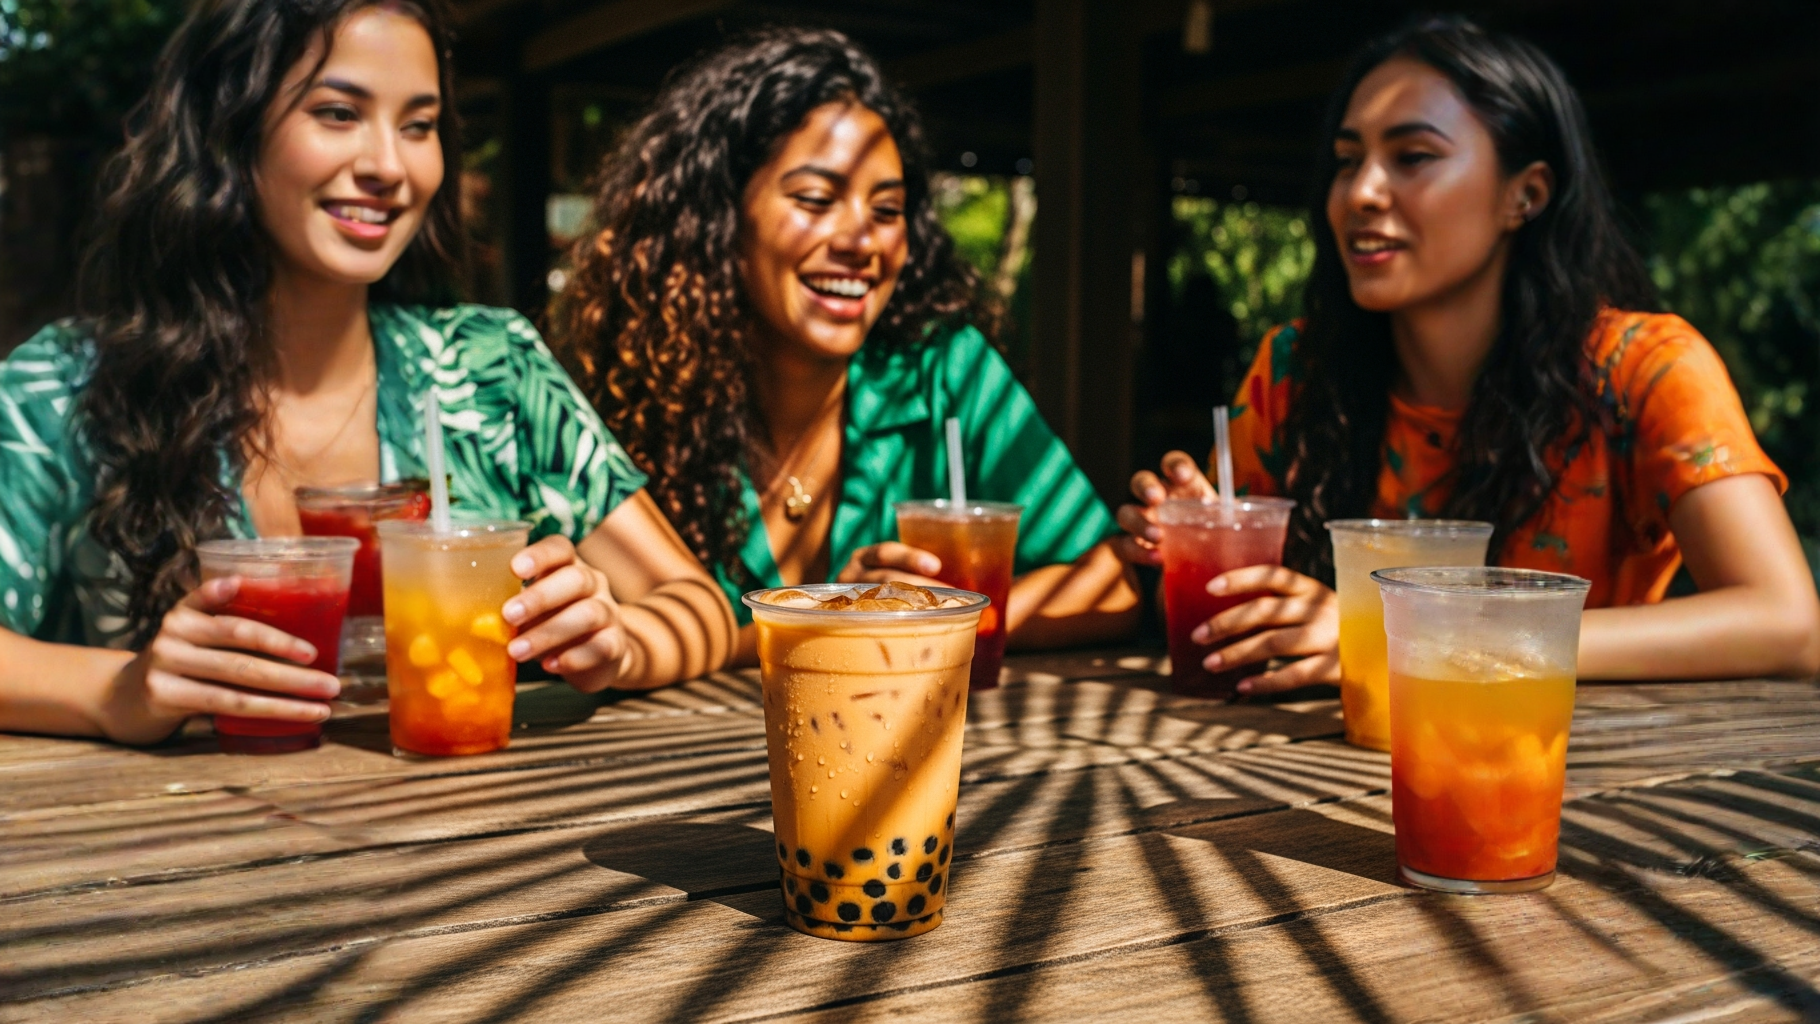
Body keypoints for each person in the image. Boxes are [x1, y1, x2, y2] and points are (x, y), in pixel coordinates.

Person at [0, 0, 734, 745]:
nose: (389, 165)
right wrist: (114, 690)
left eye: (419, 125)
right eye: (339, 112)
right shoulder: (63, 388)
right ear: (231, 128)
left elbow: (702, 607)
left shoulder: (489, 370)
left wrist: (617, 639)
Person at [1117, 17, 1820, 693]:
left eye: (1413, 156)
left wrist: (1389, 637)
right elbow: (1221, 622)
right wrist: (1188, 545)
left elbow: (1789, 624)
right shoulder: (1295, 372)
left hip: (1578, 780)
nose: (1361, 191)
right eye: (1345, 161)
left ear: (1526, 194)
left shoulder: (1645, 369)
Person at [553, 29, 1139, 663]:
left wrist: (935, 619)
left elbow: (1113, 586)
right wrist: (835, 618)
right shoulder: (632, 400)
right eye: (815, 199)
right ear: (719, 215)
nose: (862, 240)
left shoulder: (945, 372)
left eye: (888, 211)